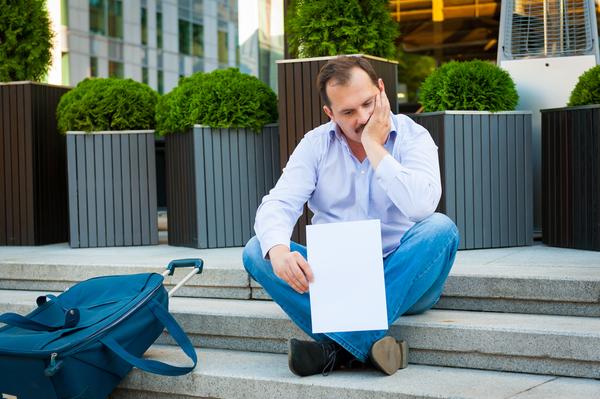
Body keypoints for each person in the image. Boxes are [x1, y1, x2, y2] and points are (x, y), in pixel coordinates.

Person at [242, 56, 459, 377]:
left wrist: (374, 146)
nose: (362, 118)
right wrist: (278, 251)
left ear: (382, 91)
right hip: (340, 279)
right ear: (330, 113)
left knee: (440, 228)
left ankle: (334, 351)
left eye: (368, 104)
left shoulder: (414, 136)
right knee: (256, 250)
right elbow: (278, 203)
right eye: (347, 112)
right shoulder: (315, 145)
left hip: (406, 274)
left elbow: (421, 207)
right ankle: (368, 347)